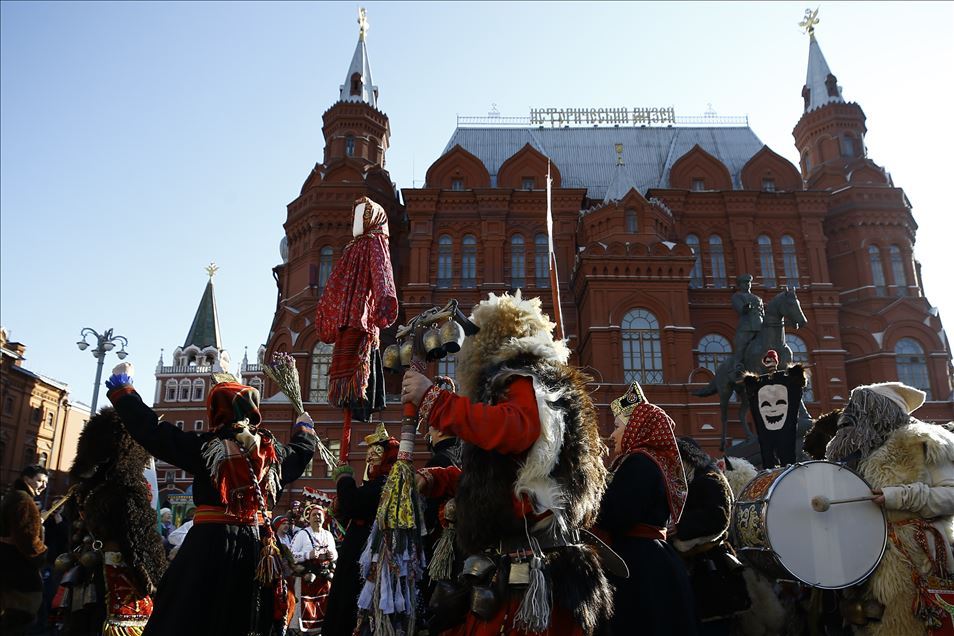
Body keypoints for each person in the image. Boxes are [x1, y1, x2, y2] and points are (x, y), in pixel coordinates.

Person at [404, 291, 612, 635]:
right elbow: (504, 478)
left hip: (528, 570)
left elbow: (514, 430)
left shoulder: (524, 381)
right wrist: (440, 479)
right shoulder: (520, 385)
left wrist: (434, 401)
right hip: (513, 563)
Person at [104, 363, 317, 636]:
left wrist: (124, 391)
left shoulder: (205, 447)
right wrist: (304, 431)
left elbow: (152, 432)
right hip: (256, 545)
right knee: (249, 616)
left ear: (217, 410)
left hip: (208, 544)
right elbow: (300, 453)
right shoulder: (273, 453)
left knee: (188, 612)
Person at [825, 382, 954, 635]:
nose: (851, 415)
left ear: (884, 411)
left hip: (915, 561)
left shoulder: (925, 442)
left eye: (863, 408)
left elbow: (952, 495)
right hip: (859, 562)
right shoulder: (851, 457)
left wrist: (900, 497)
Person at [593, 381, 696, 636]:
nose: (613, 435)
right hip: (654, 560)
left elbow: (617, 515)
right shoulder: (648, 461)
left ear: (635, 429)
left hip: (640, 567)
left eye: (618, 427)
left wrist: (587, 504)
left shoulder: (639, 462)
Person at [321, 424, 398, 636]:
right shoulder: (375, 484)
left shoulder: (384, 485)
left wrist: (344, 478)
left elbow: (353, 504)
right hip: (359, 553)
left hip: (366, 558)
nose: (370, 457)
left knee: (352, 607)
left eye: (376, 453)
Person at [673, 437, 750, 635]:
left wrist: (678, 528)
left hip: (711, 569)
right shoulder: (693, 481)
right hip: (700, 570)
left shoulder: (709, 480)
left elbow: (717, 517)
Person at [1, 465, 49, 635]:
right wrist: (42, 554)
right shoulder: (24, 500)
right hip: (19, 571)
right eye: (40, 481)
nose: (43, 486)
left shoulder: (13, 496)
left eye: (45, 482)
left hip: (7, 564)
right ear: (27, 479)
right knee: (22, 617)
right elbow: (27, 539)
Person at [290, 504, 337, 634]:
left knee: (324, 607)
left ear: (324, 517)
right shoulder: (302, 534)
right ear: (308, 518)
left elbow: (335, 553)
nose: (317, 517)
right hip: (307, 579)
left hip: (324, 579)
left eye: (319, 514)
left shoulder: (328, 534)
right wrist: (307, 555)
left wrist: (333, 554)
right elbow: (291, 555)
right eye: (314, 515)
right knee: (305, 609)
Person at [731, 274, 764, 374]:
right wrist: (745, 308)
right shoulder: (737, 296)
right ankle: (737, 367)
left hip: (760, 327)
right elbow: (740, 309)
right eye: (744, 283)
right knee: (741, 348)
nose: (747, 285)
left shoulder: (758, 298)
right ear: (740, 285)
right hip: (746, 327)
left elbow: (763, 313)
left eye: (748, 283)